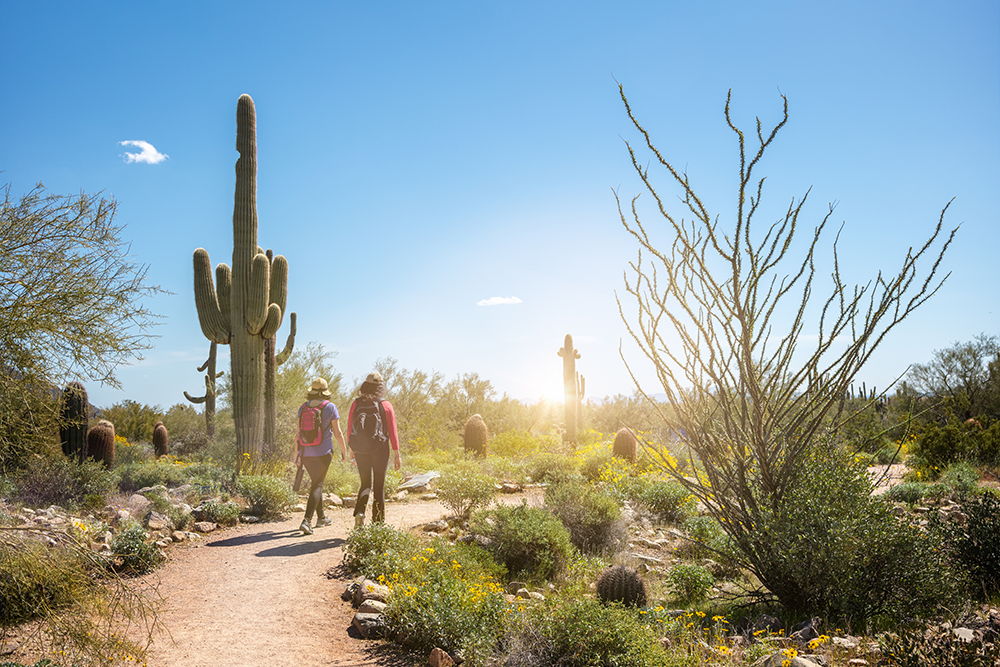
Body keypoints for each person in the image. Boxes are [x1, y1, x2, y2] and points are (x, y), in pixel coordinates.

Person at [345, 371, 401, 527]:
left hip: (361, 449)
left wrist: (352, 449)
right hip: (380, 449)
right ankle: (378, 525)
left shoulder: (356, 404)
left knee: (365, 484)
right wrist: (397, 453)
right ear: (380, 387)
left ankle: (359, 513)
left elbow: (350, 428)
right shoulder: (386, 405)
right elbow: (392, 431)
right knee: (379, 486)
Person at [295, 377, 347, 535]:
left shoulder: (303, 408)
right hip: (324, 452)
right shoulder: (330, 407)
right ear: (325, 392)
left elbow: (298, 433)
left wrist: (297, 454)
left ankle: (322, 518)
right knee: (317, 484)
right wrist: (344, 450)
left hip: (305, 453)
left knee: (315, 484)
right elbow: (337, 433)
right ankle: (307, 520)